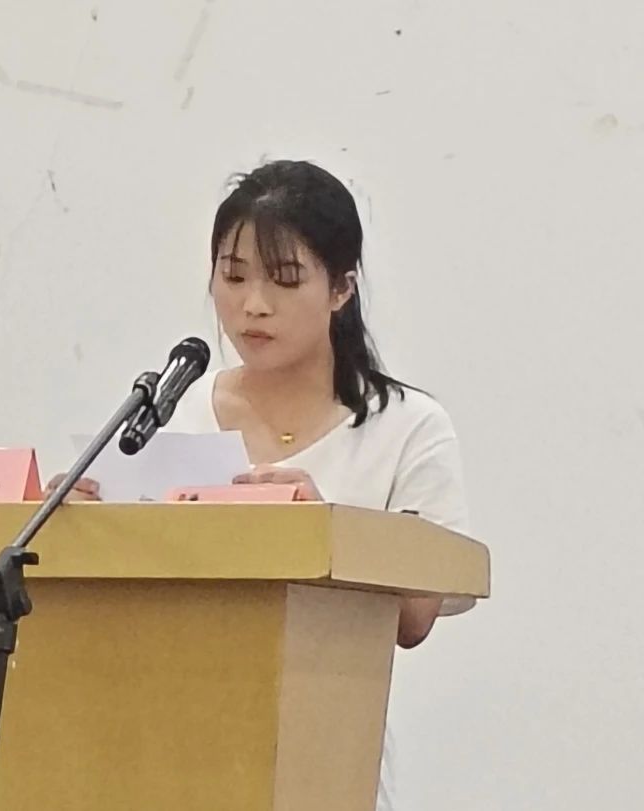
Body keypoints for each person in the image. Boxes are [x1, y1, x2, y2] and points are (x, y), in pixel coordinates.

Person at [46, 158, 471, 810]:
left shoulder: (408, 427)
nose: (253, 305)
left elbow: (414, 622)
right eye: (234, 276)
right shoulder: (167, 416)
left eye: (285, 279)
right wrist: (77, 525)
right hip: (155, 752)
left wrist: (324, 531)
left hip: (321, 767)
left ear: (341, 288)